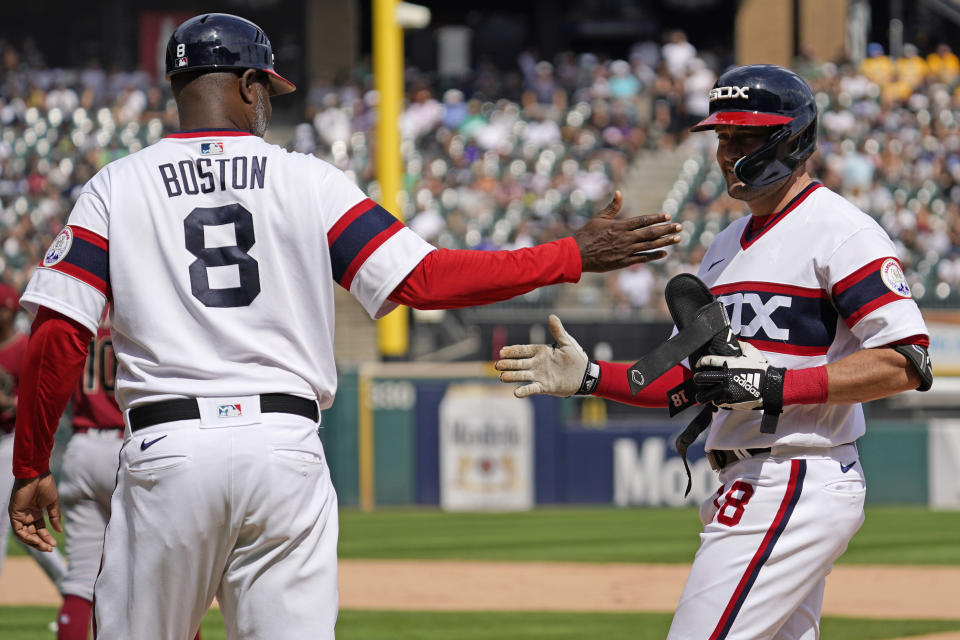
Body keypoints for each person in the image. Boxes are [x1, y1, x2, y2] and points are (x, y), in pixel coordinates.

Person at [7, 13, 680, 640]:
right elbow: (425, 280)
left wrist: (33, 461)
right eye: (265, 88)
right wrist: (569, 255)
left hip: (169, 447)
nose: (267, 101)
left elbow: (61, 335)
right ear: (248, 85)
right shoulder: (306, 180)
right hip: (285, 449)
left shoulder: (118, 185)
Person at [495, 64, 932, 639]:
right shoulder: (726, 247)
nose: (727, 153)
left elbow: (907, 359)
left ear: (792, 138)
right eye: (722, 138)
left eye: (744, 138)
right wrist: (592, 377)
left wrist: (776, 386)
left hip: (794, 471)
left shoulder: (840, 232)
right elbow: (692, 378)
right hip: (747, 474)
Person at [54, 309, 201, 640]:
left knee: (80, 582)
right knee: (173, 581)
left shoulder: (84, 305)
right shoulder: (142, 299)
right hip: (138, 443)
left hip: (83, 445)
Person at [0, 282, 68, 589]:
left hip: (9, 440)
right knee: (22, 528)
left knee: (5, 521)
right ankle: (73, 588)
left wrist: (10, 404)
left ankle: (73, 588)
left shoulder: (22, 346)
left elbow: (36, 395)